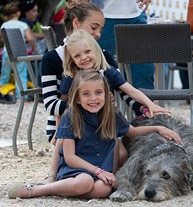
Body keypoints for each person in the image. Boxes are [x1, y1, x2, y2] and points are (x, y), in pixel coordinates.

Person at [8, 69, 181, 199]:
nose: (93, 99)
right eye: (86, 94)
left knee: (104, 190)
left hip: (100, 173)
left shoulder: (110, 114)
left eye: (98, 93)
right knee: (85, 182)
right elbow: (69, 157)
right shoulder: (70, 116)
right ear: (77, 98)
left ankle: (68, 190)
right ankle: (38, 190)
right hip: (77, 169)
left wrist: (158, 128)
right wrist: (97, 172)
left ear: (106, 94)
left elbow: (132, 131)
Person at [42, 2, 147, 144]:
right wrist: (91, 103)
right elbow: (50, 104)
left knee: (119, 154)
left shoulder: (104, 57)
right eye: (93, 27)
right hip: (68, 129)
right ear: (76, 24)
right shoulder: (53, 59)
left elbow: (123, 90)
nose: (98, 34)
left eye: (101, 30)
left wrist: (142, 108)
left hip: (101, 126)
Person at [52, 0, 157, 89]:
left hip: (134, 13)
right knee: (94, 75)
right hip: (95, 14)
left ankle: (144, 106)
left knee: (142, 76)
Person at [0, 2, 35, 104]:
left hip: (7, 52)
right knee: (21, 74)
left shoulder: (4, 24)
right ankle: (21, 98)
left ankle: (2, 92)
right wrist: (33, 47)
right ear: (18, 13)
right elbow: (30, 38)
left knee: (5, 73)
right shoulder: (22, 25)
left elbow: (1, 39)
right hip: (20, 53)